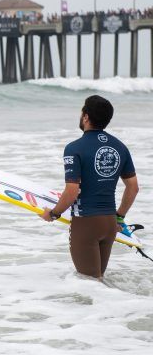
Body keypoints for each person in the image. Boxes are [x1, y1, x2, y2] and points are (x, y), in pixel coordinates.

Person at [40, 95, 139, 279]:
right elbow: (133, 188)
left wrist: (53, 214)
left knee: (90, 284)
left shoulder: (74, 148)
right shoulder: (120, 147)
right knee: (98, 279)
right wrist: (119, 217)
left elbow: (72, 191)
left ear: (86, 117)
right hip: (110, 222)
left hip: (86, 223)